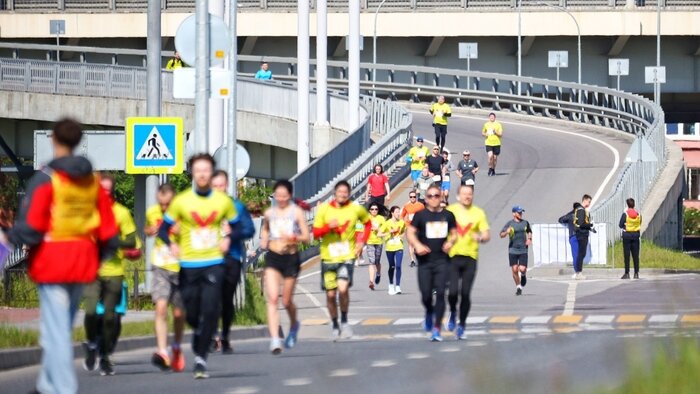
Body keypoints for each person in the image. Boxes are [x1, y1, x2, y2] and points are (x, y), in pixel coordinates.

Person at [8, 118, 118, 394]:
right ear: (78, 141)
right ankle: (46, 385)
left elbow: (32, 227)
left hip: (53, 262)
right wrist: (98, 258)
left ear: (54, 140)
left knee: (56, 332)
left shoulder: (47, 179)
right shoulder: (92, 183)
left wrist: (9, 242)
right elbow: (108, 231)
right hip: (82, 263)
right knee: (59, 329)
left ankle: (64, 389)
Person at [158, 153, 240, 379]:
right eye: (198, 170)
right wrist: (172, 244)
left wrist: (228, 239)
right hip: (189, 264)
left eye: (206, 170)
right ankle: (197, 333)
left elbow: (240, 227)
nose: (202, 174)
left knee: (212, 308)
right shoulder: (181, 201)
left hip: (214, 262)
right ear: (192, 173)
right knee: (192, 313)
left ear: (211, 173)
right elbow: (164, 229)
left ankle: (201, 358)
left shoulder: (222, 201)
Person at [82, 172, 139, 376]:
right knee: (90, 312)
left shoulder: (121, 213)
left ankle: (105, 356)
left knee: (109, 317)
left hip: (114, 271)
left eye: (107, 191)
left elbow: (134, 245)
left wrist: (116, 244)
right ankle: (91, 344)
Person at [312, 181, 370, 341]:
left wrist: (361, 241)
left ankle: (344, 320)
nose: (343, 195)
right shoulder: (324, 209)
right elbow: (315, 234)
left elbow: (368, 223)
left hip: (347, 256)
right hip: (328, 256)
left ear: (349, 193)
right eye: (340, 192)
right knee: (330, 295)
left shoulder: (355, 208)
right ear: (334, 193)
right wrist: (328, 227)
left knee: (343, 289)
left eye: (346, 192)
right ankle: (335, 323)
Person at [259, 180, 310, 354]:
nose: (280, 199)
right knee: (273, 298)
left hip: (291, 258)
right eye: (278, 195)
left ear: (289, 196)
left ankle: (294, 324)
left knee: (286, 300)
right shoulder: (269, 213)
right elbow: (265, 229)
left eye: (284, 196)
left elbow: (306, 237)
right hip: (273, 258)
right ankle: (275, 339)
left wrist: (294, 237)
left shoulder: (296, 212)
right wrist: (264, 239)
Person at [211, 170, 255, 354]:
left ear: (227, 186)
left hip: (232, 257)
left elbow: (249, 229)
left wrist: (233, 232)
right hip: (210, 257)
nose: (219, 189)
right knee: (211, 297)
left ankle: (226, 336)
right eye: (216, 186)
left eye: (222, 185)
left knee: (226, 299)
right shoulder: (204, 206)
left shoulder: (235, 206)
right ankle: (213, 335)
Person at [407, 184, 457, 342]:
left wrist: (451, 242)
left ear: (441, 196)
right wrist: (417, 245)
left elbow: (455, 233)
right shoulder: (421, 215)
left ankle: (436, 328)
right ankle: (429, 311)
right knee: (426, 295)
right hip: (425, 262)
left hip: (442, 261)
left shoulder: (448, 215)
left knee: (441, 294)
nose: (434, 199)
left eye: (436, 195)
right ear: (426, 198)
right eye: (430, 196)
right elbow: (410, 232)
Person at [145, 183, 186, 372]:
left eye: (167, 204)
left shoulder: (183, 213)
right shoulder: (152, 211)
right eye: (161, 204)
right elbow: (147, 229)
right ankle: (162, 350)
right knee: (160, 307)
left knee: (178, 313)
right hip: (160, 265)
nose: (163, 208)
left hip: (180, 267)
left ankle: (176, 346)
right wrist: (150, 230)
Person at [445, 184, 489, 340]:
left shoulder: (478, 213)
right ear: (458, 196)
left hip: (470, 257)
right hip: (453, 257)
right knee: (452, 292)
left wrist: (481, 237)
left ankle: (462, 324)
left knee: (465, 293)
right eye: (464, 194)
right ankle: (452, 312)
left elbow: (486, 234)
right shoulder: (451, 212)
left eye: (469, 194)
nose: (467, 196)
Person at [499, 206, 532, 296]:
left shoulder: (525, 223)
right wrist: (506, 232)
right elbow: (501, 234)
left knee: (522, 268)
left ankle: (523, 275)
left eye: (521, 212)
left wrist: (529, 238)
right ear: (514, 213)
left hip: (523, 249)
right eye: (518, 212)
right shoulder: (510, 223)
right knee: (514, 269)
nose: (520, 214)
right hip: (512, 249)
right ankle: (518, 287)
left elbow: (529, 231)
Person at [379, 206, 406, 295]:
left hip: (399, 246)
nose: (399, 213)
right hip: (389, 247)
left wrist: (402, 236)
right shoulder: (387, 223)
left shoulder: (402, 222)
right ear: (392, 213)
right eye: (397, 212)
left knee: (398, 266)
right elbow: (379, 233)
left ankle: (398, 286)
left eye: (399, 212)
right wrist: (389, 232)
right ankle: (391, 285)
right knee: (392, 266)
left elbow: (403, 231)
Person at [619, 198, 642, 280]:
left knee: (627, 255)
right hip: (636, 236)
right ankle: (636, 273)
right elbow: (640, 223)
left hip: (627, 236)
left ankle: (627, 273)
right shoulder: (638, 214)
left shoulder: (625, 214)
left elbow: (620, 224)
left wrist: (626, 226)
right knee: (635, 255)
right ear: (634, 205)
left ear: (627, 205)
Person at [401, 191, 425, 268]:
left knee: (418, 243)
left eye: (414, 197)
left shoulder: (420, 205)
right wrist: (404, 223)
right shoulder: (406, 206)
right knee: (411, 244)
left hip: (418, 227)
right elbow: (402, 215)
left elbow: (425, 214)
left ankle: (420, 258)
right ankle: (412, 260)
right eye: (411, 197)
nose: (412, 198)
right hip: (409, 227)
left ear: (416, 197)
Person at [572, 194, 594, 280]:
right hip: (582, 234)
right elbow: (581, 223)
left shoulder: (580, 209)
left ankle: (578, 272)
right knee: (581, 254)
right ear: (584, 200)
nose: (589, 203)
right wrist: (590, 225)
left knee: (582, 254)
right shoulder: (581, 210)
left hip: (582, 233)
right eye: (589, 201)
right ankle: (579, 273)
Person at [365, 203, 386, 290]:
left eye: (376, 209)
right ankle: (371, 281)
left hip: (378, 242)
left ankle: (378, 273)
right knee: (371, 261)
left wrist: (377, 229)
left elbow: (385, 229)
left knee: (377, 261)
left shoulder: (381, 218)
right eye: (372, 209)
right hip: (369, 241)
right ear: (369, 210)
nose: (374, 211)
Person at [558, 202, 582, 268]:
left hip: (573, 236)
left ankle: (577, 271)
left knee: (575, 255)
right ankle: (578, 271)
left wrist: (570, 213)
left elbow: (560, 220)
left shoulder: (570, 215)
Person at [482, 112, 503, 176]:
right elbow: (483, 133)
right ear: (489, 118)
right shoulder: (486, 124)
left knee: (495, 158)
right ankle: (490, 168)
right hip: (488, 143)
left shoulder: (498, 124)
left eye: (493, 117)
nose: (491, 118)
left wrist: (495, 132)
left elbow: (501, 134)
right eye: (490, 117)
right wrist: (485, 134)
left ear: (495, 117)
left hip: (496, 143)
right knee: (490, 156)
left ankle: (493, 169)